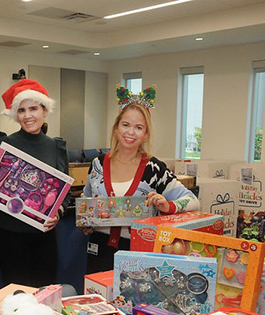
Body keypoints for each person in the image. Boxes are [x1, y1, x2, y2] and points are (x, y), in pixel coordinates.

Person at [83, 86, 199, 273]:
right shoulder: (97, 164)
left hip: (138, 251)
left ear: (145, 134)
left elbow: (193, 200)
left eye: (139, 128)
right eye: (126, 125)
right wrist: (86, 222)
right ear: (116, 128)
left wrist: (167, 205)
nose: (130, 132)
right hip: (99, 250)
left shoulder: (154, 168)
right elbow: (86, 198)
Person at [0, 79, 69, 287]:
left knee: (44, 296)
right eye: (22, 110)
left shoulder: (56, 147)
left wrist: (59, 213)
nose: (28, 115)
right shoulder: (4, 145)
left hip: (45, 237)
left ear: (44, 110)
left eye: (33, 108)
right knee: (16, 296)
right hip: (11, 236)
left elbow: (64, 193)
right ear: (16, 114)